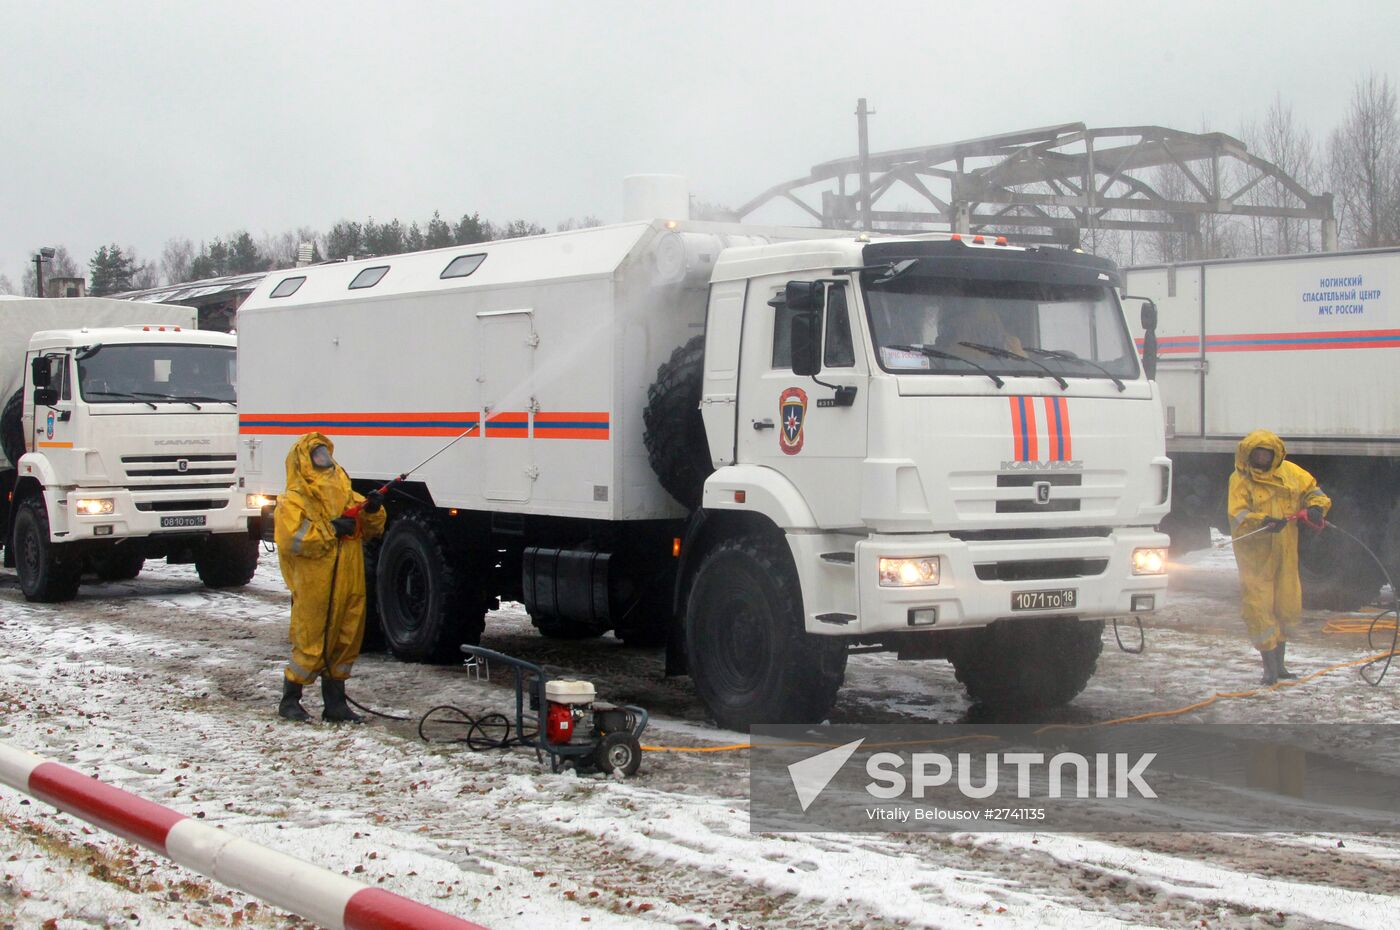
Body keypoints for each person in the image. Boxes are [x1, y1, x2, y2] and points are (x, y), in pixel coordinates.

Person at [274, 432, 387, 722]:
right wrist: (330, 529)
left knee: (346, 634)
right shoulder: (295, 499)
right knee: (311, 636)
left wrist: (373, 509)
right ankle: (290, 699)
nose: (324, 459)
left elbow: (373, 527)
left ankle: (335, 704)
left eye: (325, 453)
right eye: (317, 454)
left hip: (348, 574)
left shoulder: (345, 491)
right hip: (315, 578)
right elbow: (292, 540)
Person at [1227, 429, 1330, 685]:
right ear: (1248, 455)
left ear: (1275, 455)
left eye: (1266, 454)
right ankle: (1269, 669)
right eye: (1257, 454)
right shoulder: (1240, 480)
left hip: (1285, 550)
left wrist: (1316, 508)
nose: (1261, 458)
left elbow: (1314, 492)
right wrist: (1262, 521)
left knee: (1286, 605)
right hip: (1256, 554)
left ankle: (1281, 666)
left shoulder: (1292, 473)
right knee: (1259, 608)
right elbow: (1237, 514)